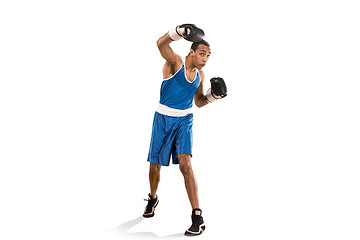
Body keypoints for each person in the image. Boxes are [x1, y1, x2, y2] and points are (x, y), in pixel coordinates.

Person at [143, 24, 227, 236]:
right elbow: (161, 44)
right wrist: (178, 32)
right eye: (202, 53)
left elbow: (198, 102)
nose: (205, 58)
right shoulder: (175, 63)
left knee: (186, 164)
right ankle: (153, 198)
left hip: (184, 121)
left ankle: (197, 216)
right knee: (155, 167)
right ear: (191, 51)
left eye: (208, 55)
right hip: (163, 119)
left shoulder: (200, 75)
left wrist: (212, 97)